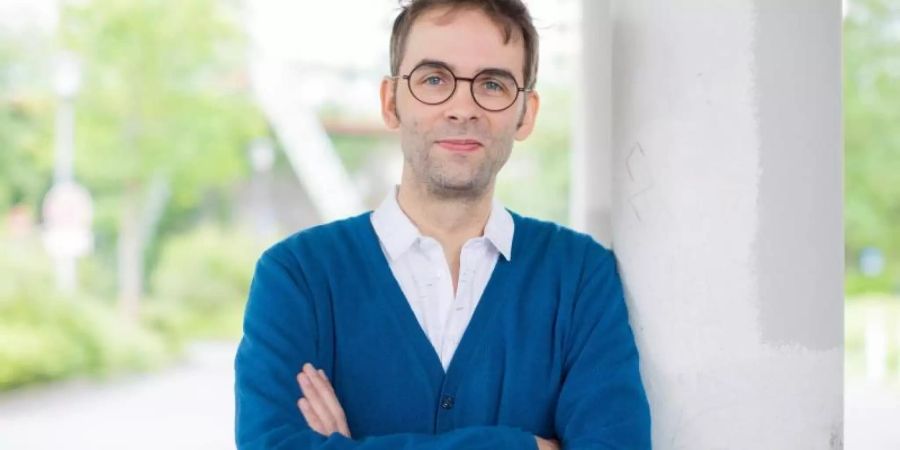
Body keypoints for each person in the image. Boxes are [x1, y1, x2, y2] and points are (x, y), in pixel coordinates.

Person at [234, 1, 651, 448]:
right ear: (390, 102)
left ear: (525, 113)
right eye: (434, 79)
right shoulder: (297, 276)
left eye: (492, 84)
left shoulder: (580, 275)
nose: (462, 108)